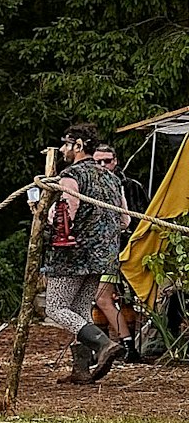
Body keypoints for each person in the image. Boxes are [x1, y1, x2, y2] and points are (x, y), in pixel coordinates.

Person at [43, 123, 128, 382]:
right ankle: (80, 370)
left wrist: (43, 215)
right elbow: (125, 220)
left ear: (78, 146)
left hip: (73, 255)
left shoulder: (71, 175)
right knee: (79, 309)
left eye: (67, 144)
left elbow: (65, 215)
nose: (63, 149)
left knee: (55, 308)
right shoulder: (113, 178)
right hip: (104, 255)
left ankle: (103, 344)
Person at [89, 142, 136, 354]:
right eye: (97, 161)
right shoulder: (88, 184)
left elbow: (128, 220)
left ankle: (124, 345)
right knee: (98, 299)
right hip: (99, 252)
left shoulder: (125, 185)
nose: (102, 165)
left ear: (115, 161)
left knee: (108, 298)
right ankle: (109, 345)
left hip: (119, 251)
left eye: (106, 161)